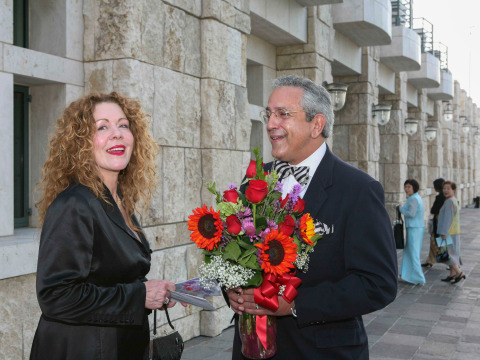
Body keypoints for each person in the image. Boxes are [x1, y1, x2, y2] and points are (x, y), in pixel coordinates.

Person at [227, 75, 398, 359]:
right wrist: (232, 289)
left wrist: (293, 304)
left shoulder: (358, 190)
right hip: (250, 348)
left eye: (283, 114)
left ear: (316, 124)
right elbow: (235, 254)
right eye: (269, 114)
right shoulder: (255, 179)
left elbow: (378, 284)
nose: (270, 124)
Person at [30, 92, 179, 360]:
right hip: (83, 349)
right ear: (80, 143)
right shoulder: (74, 204)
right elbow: (56, 296)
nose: (117, 134)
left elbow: (111, 276)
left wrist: (153, 292)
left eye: (123, 125)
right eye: (102, 127)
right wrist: (139, 296)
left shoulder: (119, 201)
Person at [398, 179, 426, 285]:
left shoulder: (413, 199)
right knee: (409, 251)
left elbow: (411, 214)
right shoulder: (415, 197)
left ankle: (419, 278)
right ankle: (407, 275)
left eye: (409, 187)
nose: (406, 189)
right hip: (416, 228)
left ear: (414, 187)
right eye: (405, 187)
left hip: (414, 228)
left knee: (413, 253)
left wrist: (400, 208)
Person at [437, 181, 465, 283]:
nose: (445, 190)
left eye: (448, 188)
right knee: (451, 253)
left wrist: (443, 233)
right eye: (444, 188)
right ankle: (452, 274)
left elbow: (448, 219)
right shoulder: (452, 200)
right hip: (453, 232)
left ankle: (459, 272)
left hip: (448, 232)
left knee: (448, 254)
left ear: (453, 190)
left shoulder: (449, 202)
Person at [422, 178, 446, 267]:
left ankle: (452, 266)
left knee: (439, 243)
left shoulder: (440, 197)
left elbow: (434, 210)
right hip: (443, 223)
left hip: (439, 223)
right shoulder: (446, 196)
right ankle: (430, 260)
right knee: (437, 243)